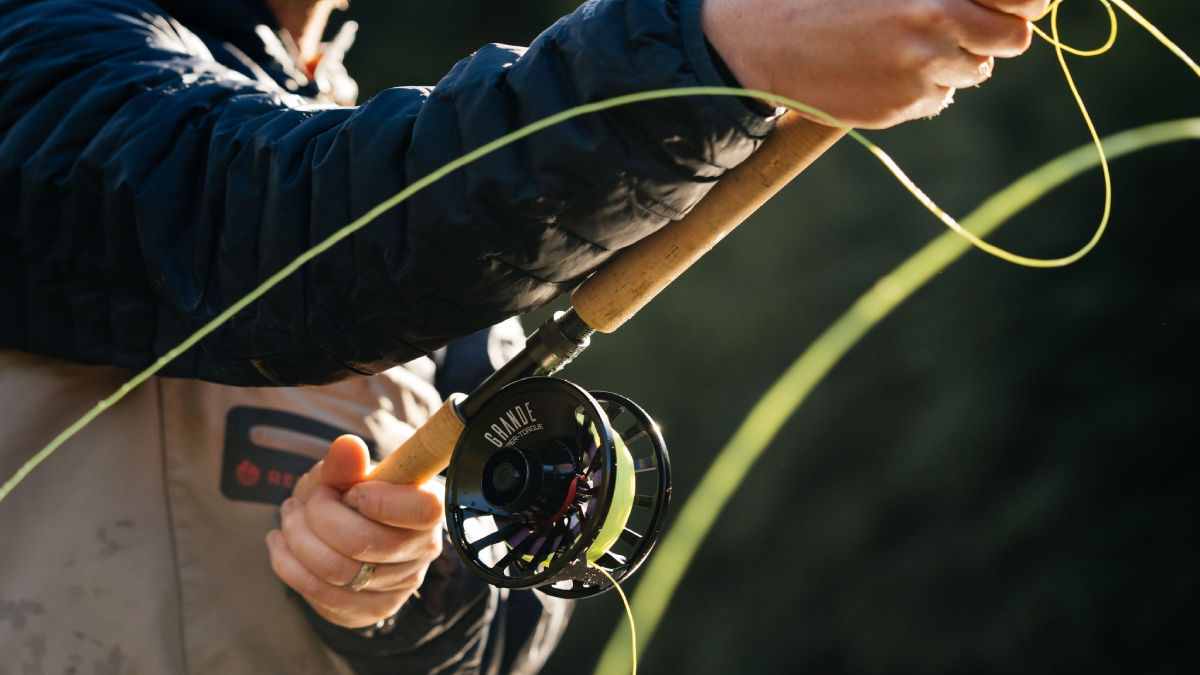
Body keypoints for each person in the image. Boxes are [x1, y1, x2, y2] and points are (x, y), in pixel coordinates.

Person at [0, 0, 1049, 672]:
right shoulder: (33, 50)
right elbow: (269, 219)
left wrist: (405, 595)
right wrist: (718, 52)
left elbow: (502, 642)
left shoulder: (392, 158)